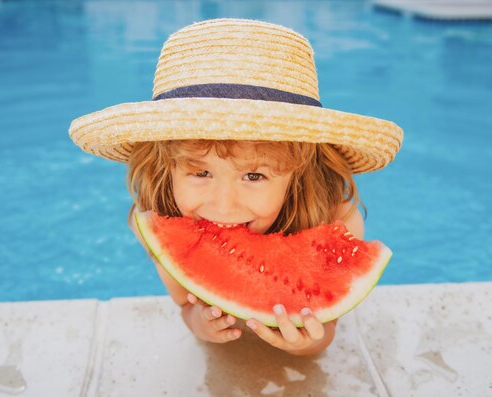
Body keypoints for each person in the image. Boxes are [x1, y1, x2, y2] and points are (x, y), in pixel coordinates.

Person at [69, 18, 403, 356]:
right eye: (200, 173)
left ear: (298, 174)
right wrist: (198, 320)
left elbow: (327, 328)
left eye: (254, 176)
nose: (223, 206)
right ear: (166, 167)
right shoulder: (157, 221)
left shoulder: (338, 217)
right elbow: (185, 306)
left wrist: (311, 343)